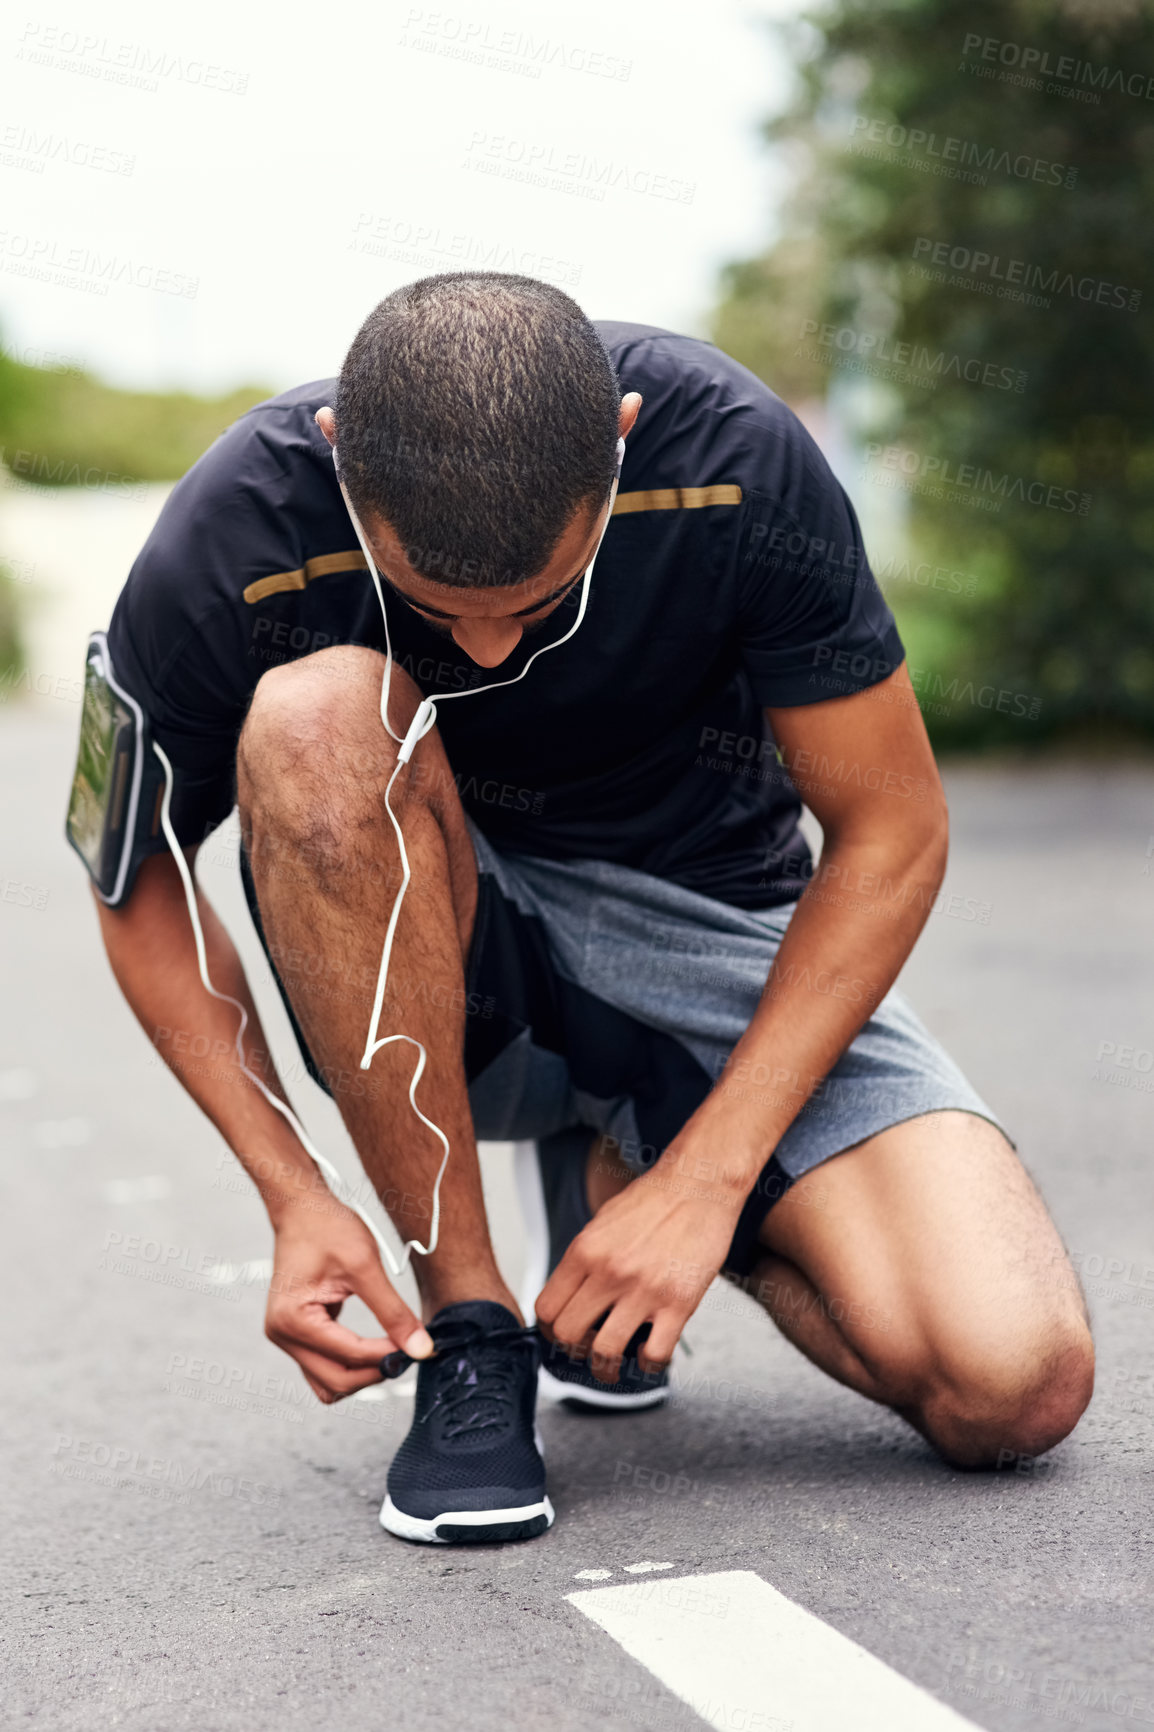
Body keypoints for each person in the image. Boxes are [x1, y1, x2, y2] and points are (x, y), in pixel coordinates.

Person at [76, 272, 1093, 1546]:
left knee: (1011, 1383)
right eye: (445, 609)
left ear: (619, 443)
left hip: (705, 928)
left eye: (538, 599)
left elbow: (892, 832)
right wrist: (294, 1192)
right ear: (341, 461)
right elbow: (129, 877)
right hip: (434, 977)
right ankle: (471, 1329)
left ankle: (637, 1162)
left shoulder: (731, 459)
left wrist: (706, 1185)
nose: (494, 650)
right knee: (316, 711)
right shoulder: (233, 528)